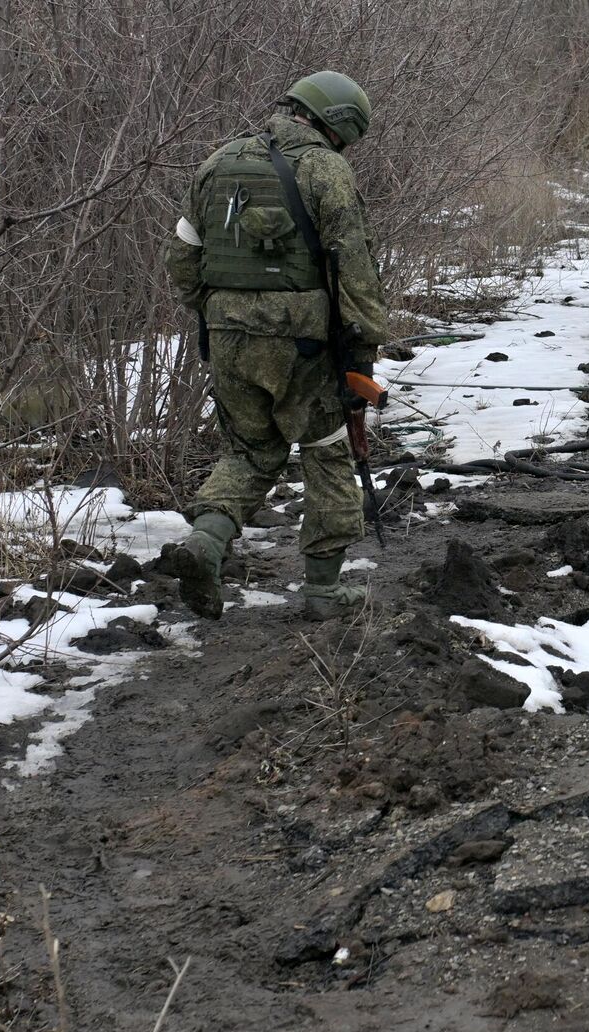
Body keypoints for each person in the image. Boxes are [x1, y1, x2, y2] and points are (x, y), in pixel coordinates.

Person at [161, 71, 387, 621]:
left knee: (248, 452)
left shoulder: (217, 163)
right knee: (327, 451)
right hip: (304, 344)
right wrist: (361, 350)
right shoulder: (326, 170)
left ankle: (205, 545)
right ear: (336, 123)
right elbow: (352, 267)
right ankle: (323, 594)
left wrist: (221, 314)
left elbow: (182, 260)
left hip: (228, 335)